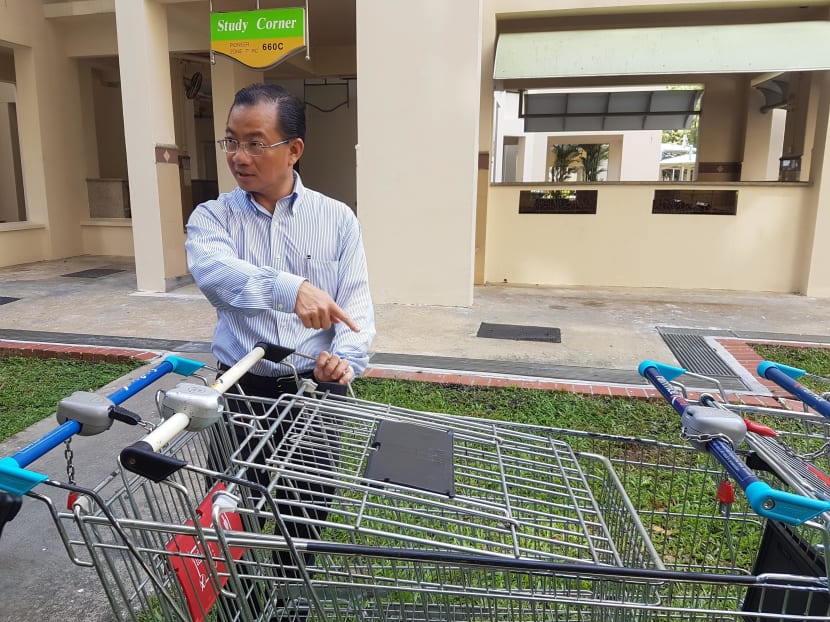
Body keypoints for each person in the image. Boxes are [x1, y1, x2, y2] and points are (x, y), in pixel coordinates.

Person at [185, 82, 375, 619]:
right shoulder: (213, 218)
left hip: (314, 392)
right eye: (230, 141)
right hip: (240, 388)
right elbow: (217, 277)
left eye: (255, 142)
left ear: (294, 149)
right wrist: (290, 289)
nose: (238, 157)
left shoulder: (337, 218)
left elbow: (356, 304)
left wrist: (347, 357)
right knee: (232, 505)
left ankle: (289, 602)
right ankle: (239, 602)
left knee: (306, 508)